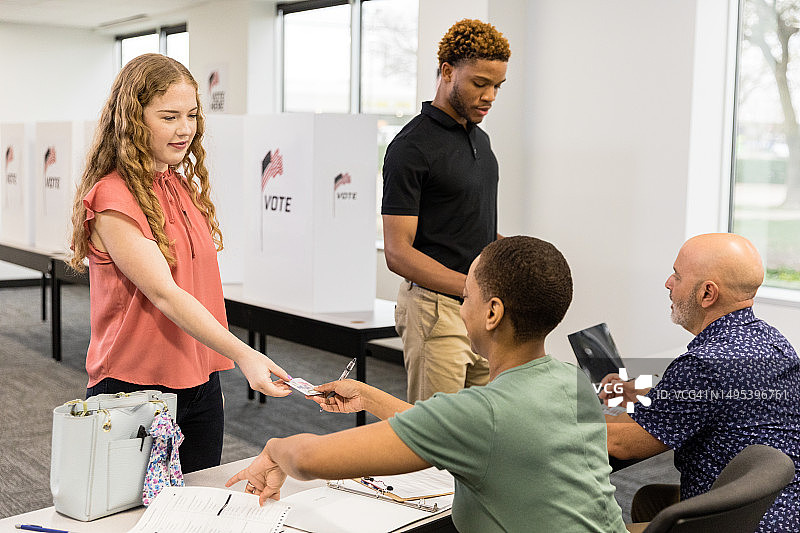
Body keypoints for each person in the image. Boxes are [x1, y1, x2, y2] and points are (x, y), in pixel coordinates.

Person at [226, 236, 627, 533]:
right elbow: (447, 427)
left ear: (492, 313)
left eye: (465, 295)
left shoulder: (482, 415)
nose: (461, 305)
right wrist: (366, 395)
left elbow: (310, 459)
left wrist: (276, 449)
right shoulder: (570, 381)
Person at [68, 53, 291, 473]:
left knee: (194, 510)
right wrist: (246, 355)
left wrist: (212, 372)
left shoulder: (179, 184)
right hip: (133, 388)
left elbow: (199, 288)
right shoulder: (112, 197)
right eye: (169, 116)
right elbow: (165, 294)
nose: (185, 129)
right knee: (134, 519)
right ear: (133, 119)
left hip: (201, 384)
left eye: (191, 115)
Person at [600, 233, 800, 532]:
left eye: (677, 276)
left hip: (733, 521)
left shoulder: (705, 363)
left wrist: (554, 407)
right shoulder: (774, 342)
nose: (668, 283)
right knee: (650, 498)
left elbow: (621, 443)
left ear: (707, 293)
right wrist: (638, 393)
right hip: (776, 508)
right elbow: (716, 400)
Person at [381, 19, 510, 403]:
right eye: (480, 83)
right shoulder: (411, 147)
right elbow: (397, 252)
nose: (489, 96)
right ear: (448, 71)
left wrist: (513, 253)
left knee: (485, 428)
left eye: (497, 86)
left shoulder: (481, 142)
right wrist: (470, 287)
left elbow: (471, 227)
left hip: (482, 309)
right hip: (435, 311)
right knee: (436, 439)